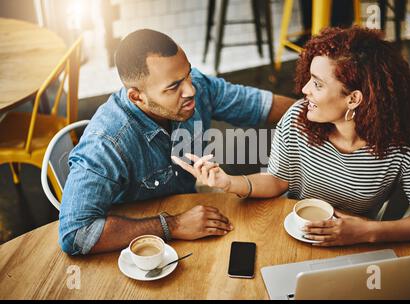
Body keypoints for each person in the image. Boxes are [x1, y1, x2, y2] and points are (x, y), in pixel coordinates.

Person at [173, 26, 410, 247]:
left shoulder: (405, 142)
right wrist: (228, 182)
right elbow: (278, 181)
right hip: (296, 232)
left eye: (317, 83)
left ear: (353, 98)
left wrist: (368, 232)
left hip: (359, 242)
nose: (304, 89)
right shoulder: (297, 118)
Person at [59, 29, 295, 255]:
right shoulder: (105, 144)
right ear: (136, 97)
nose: (191, 90)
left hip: (191, 200)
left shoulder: (196, 86)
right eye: (173, 87)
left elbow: (260, 106)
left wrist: (317, 114)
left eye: (188, 75)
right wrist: (173, 226)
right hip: (137, 244)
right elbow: (76, 234)